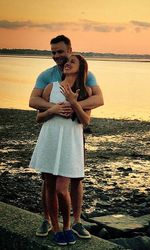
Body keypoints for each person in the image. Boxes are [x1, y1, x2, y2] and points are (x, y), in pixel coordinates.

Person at [29, 35, 104, 238]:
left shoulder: (85, 74)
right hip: (53, 132)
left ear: (69, 49)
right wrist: (55, 108)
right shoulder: (47, 76)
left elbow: (99, 99)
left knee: (75, 178)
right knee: (48, 178)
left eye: (60, 52)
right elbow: (33, 101)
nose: (57, 56)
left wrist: (74, 104)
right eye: (53, 52)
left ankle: (76, 222)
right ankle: (48, 221)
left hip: (73, 134)